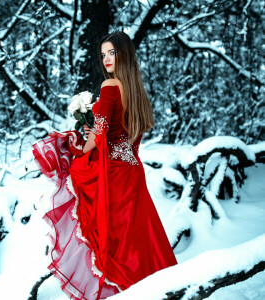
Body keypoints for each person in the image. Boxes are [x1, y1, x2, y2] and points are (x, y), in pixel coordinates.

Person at [32, 31, 178, 299]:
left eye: (112, 52)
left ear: (124, 55)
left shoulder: (110, 86)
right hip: (132, 172)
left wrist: (77, 146)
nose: (107, 59)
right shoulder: (137, 91)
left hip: (111, 173)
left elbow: (99, 136)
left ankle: (120, 292)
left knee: (111, 243)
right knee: (136, 241)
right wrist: (93, 133)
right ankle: (154, 291)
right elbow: (121, 134)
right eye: (103, 54)